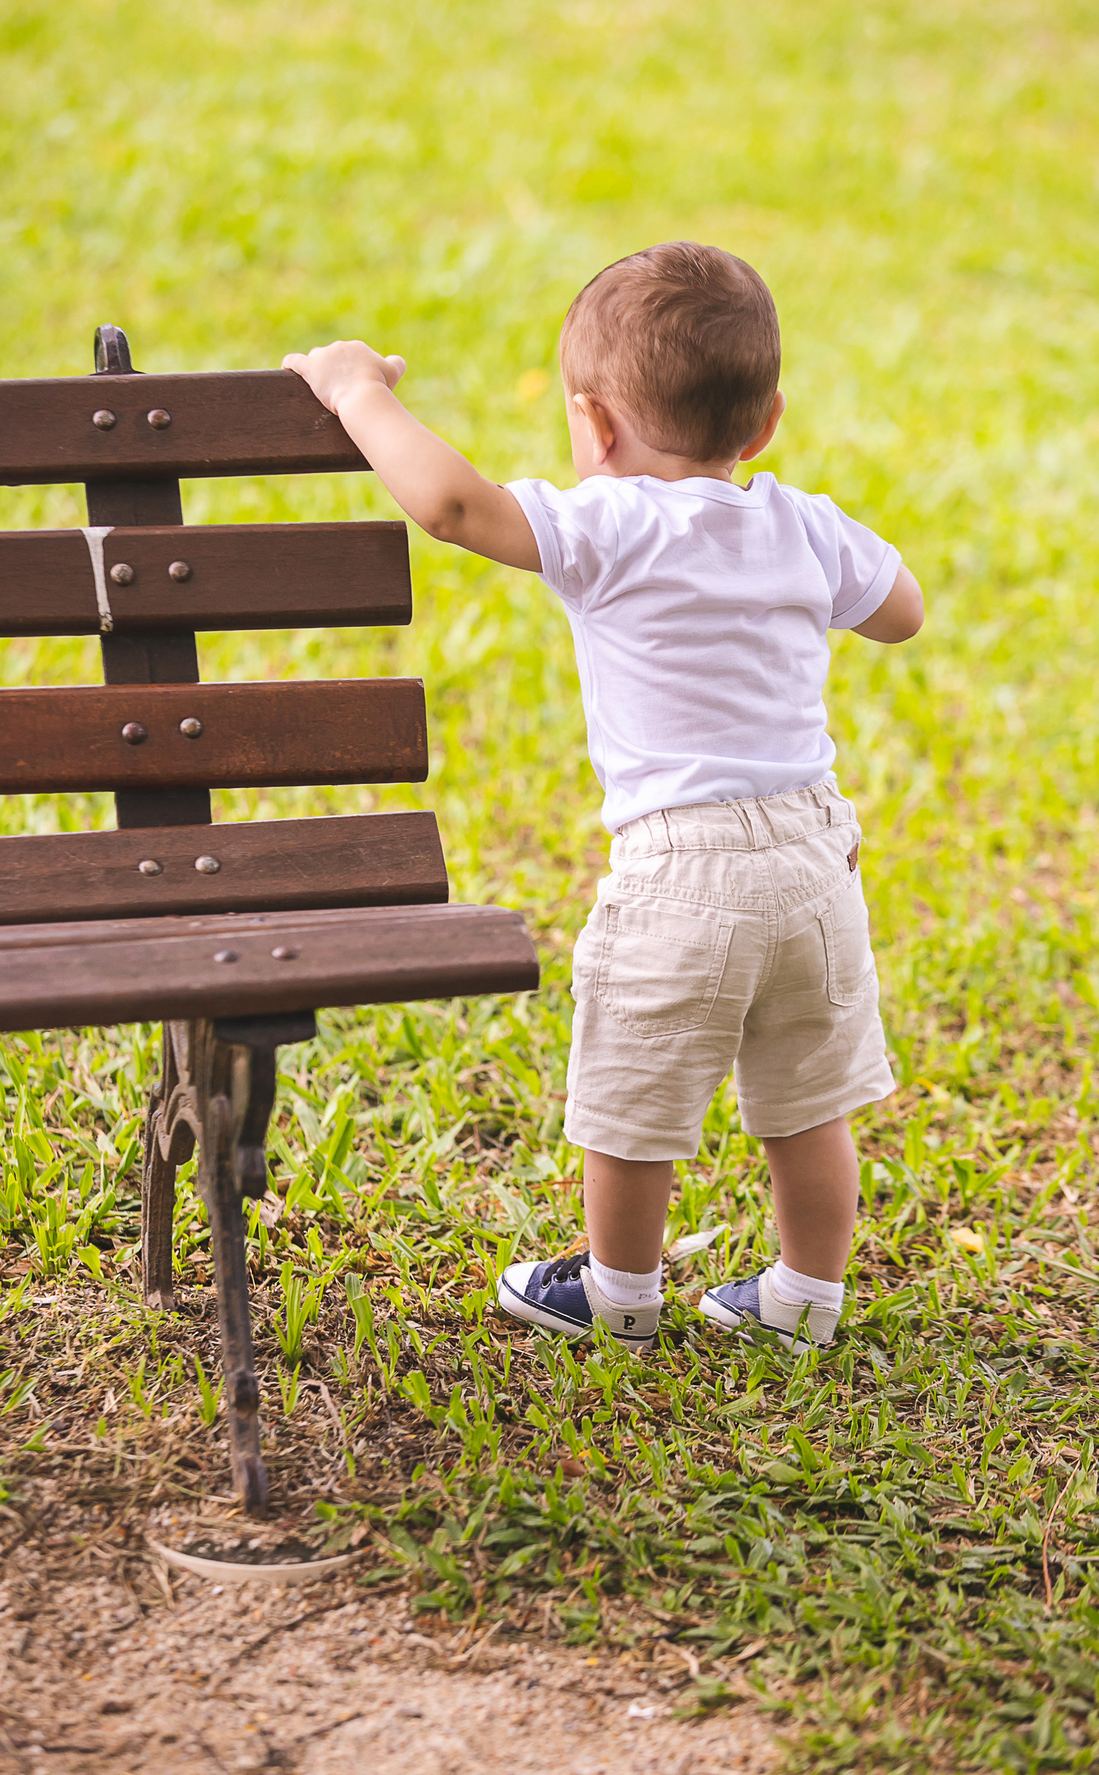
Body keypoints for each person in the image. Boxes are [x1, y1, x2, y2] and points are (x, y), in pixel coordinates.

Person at [283, 240, 923, 1356]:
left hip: (686, 866)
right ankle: (803, 1300)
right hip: (817, 854)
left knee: (636, 1084)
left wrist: (354, 389)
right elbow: (903, 609)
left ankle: (620, 1292)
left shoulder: (609, 526)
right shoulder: (802, 523)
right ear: (763, 425)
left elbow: (447, 504)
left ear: (597, 425)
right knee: (805, 1096)